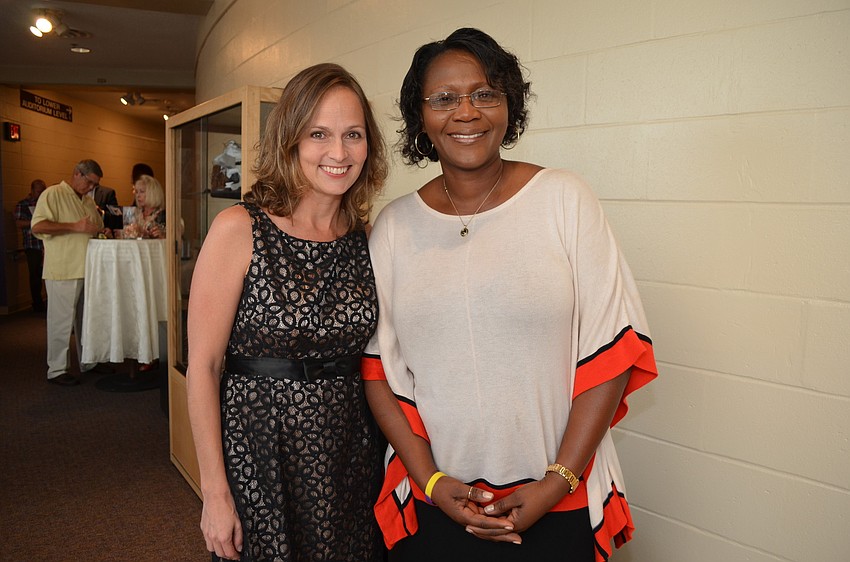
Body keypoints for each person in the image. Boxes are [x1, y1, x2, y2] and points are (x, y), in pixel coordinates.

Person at [363, 28, 659, 562]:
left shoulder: (565, 200)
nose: (466, 112)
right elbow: (380, 369)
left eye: (485, 93)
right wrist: (429, 481)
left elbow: (612, 352)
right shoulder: (393, 227)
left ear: (509, 104)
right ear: (420, 116)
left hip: (557, 496)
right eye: (444, 99)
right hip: (440, 500)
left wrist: (557, 481)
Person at [187, 63, 388, 561]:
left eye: (353, 135)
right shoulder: (240, 228)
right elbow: (203, 368)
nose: (338, 153)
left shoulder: (366, 238)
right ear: (291, 140)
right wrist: (214, 493)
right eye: (318, 134)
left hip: (351, 457)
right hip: (260, 456)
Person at [31, 159, 110, 386]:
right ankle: (56, 369)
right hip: (63, 268)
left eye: (95, 185)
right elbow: (38, 226)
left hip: (88, 269)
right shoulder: (53, 194)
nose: (91, 188)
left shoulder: (87, 201)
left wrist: (101, 229)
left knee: (87, 321)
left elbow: (93, 227)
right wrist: (74, 227)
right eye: (89, 182)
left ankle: (90, 361)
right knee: (61, 322)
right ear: (77, 174)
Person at [14, 179, 47, 312]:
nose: (41, 194)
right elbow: (19, 223)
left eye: (43, 191)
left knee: (47, 275)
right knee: (35, 275)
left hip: (47, 244)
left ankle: (48, 302)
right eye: (39, 191)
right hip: (32, 245)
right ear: (32, 190)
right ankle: (37, 304)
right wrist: (36, 222)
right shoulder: (23, 204)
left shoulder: (46, 204)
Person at [123, 174, 166, 239]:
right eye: (136, 192)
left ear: (152, 193)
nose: (138, 195)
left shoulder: (163, 215)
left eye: (142, 192)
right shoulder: (134, 213)